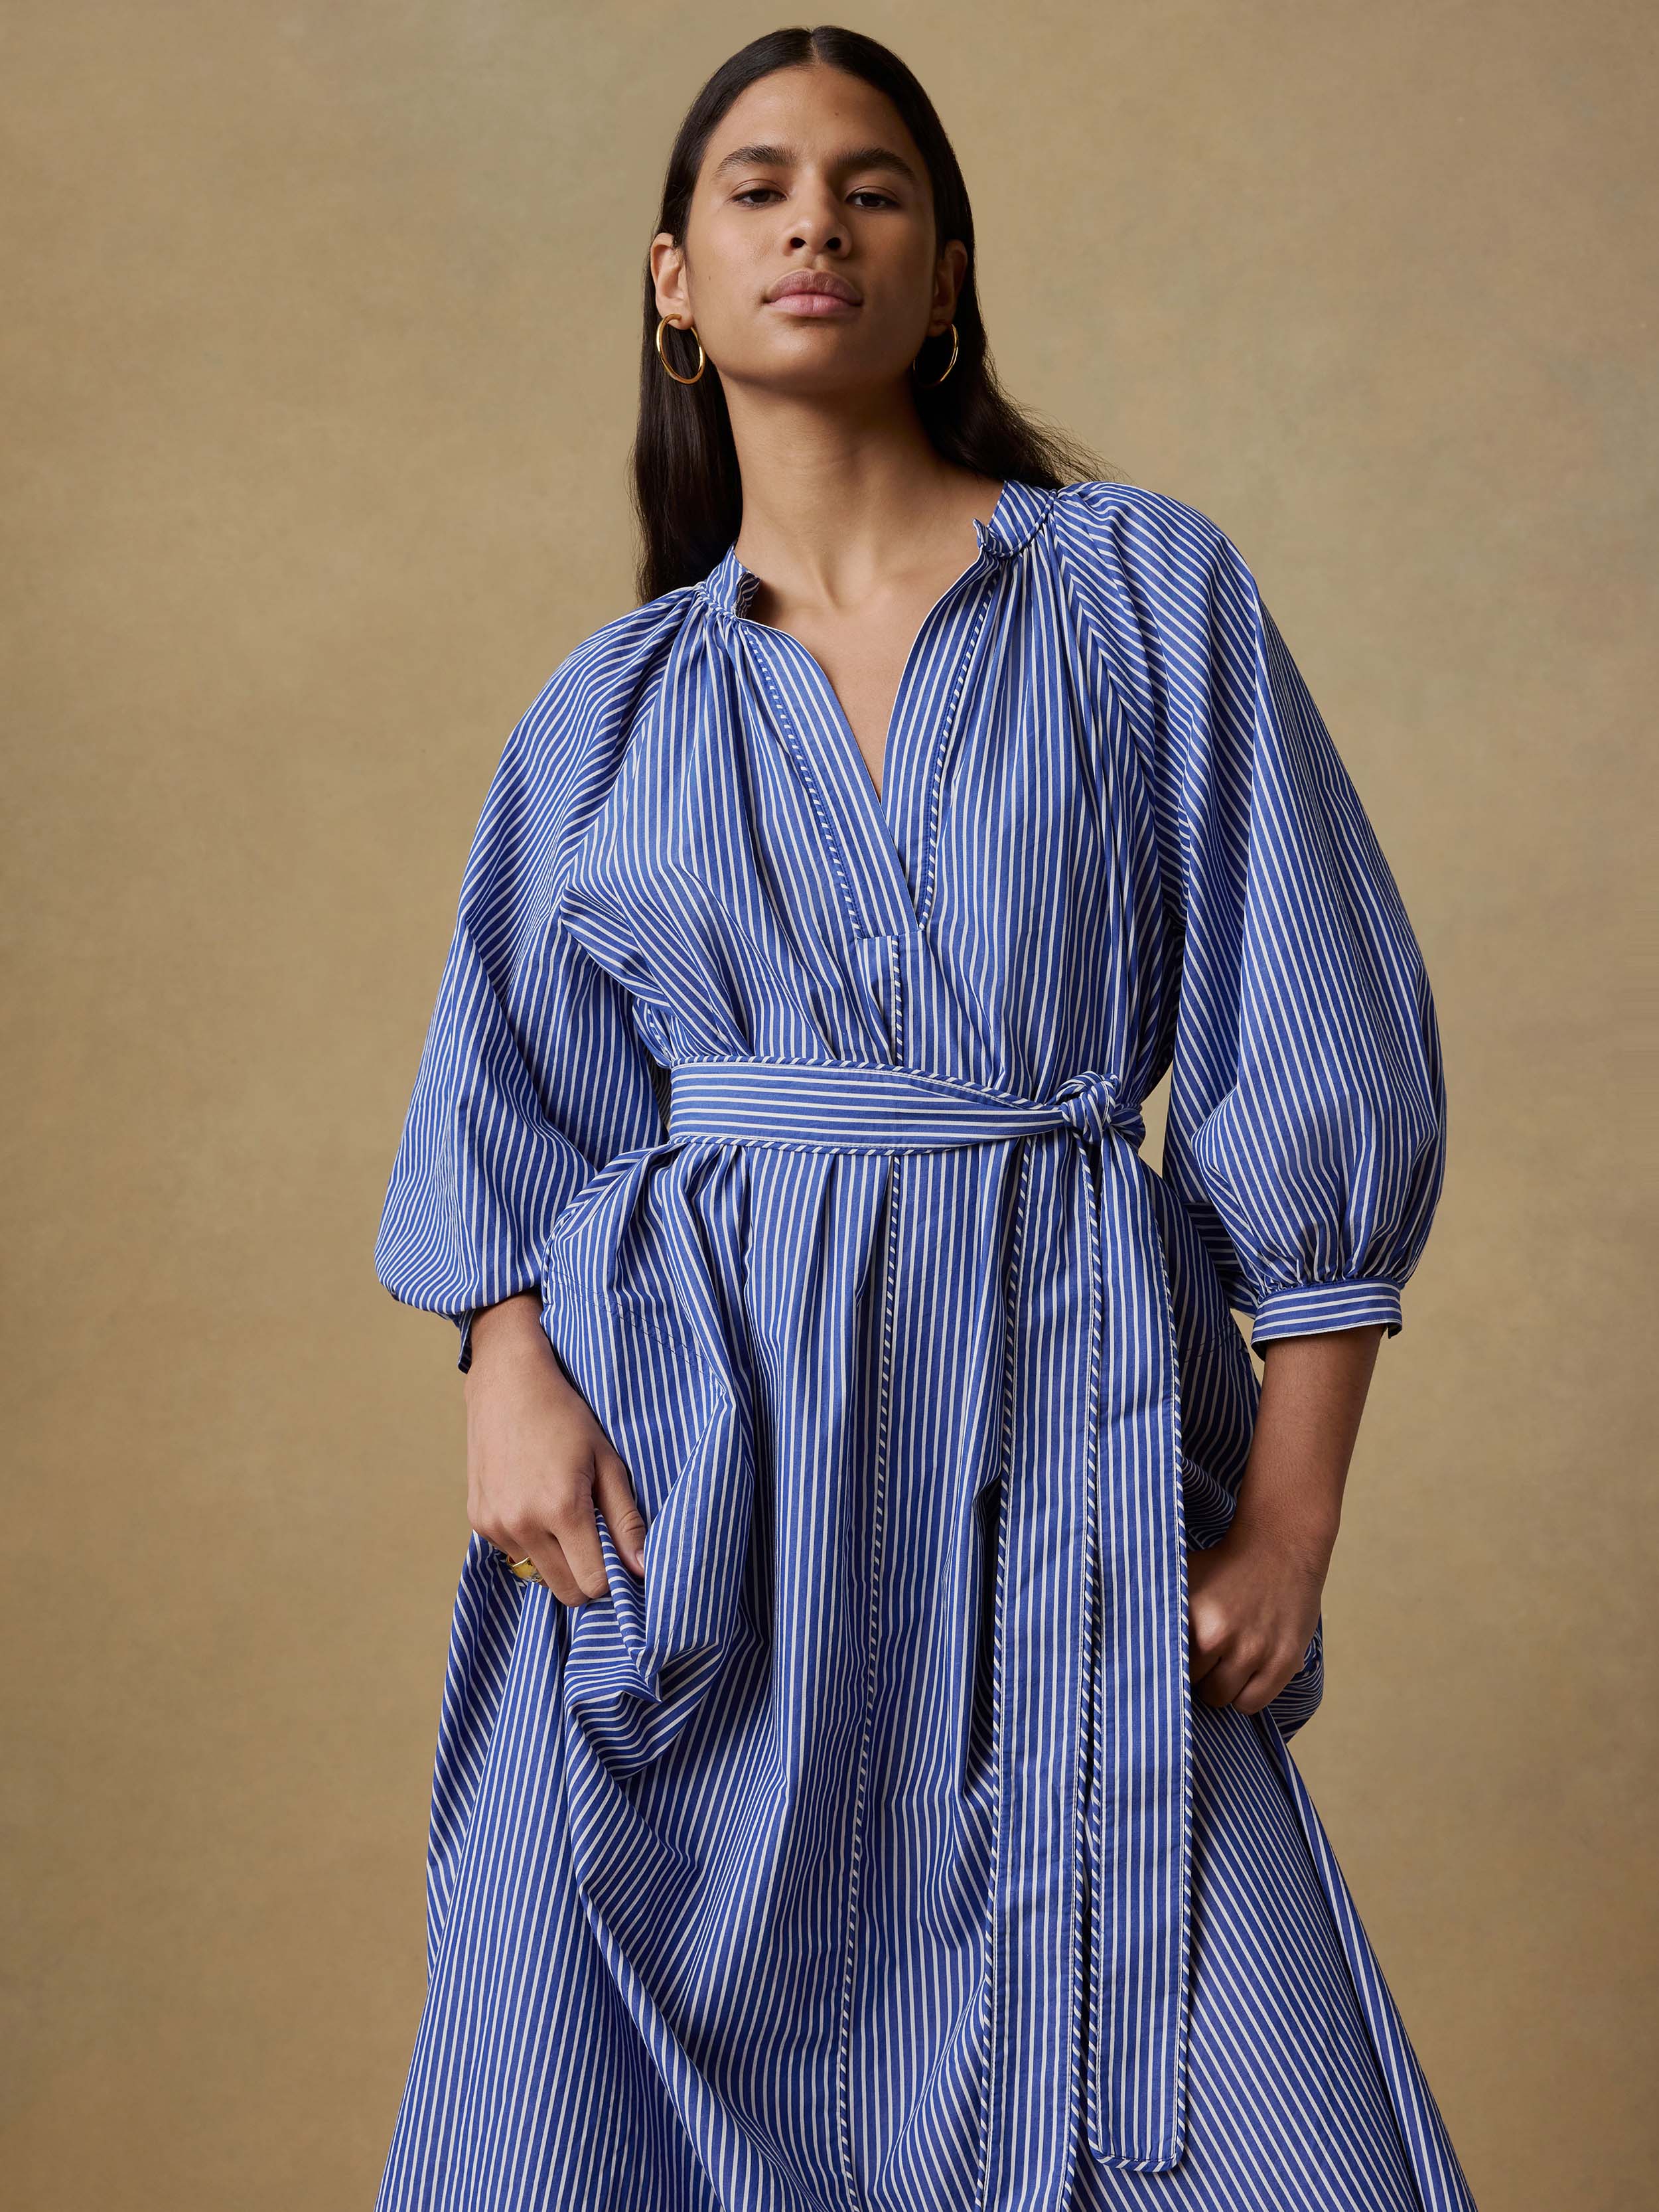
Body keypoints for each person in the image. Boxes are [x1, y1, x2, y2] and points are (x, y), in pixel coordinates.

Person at [370, 25, 1479, 2212]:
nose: (814, 221)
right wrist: (507, 1370)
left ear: (945, 269)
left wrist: (1283, 1524)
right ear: (672, 279)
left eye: (872, 187)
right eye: (759, 186)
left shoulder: (1142, 599)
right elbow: (507, 1102)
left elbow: (1312, 1042)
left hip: (1065, 1470)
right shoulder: (609, 715)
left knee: (1263, 2124)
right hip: (703, 1506)